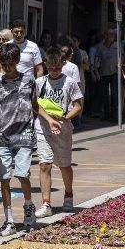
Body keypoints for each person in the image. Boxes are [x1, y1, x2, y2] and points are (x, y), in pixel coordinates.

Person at [0, 43, 55, 236]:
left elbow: (36, 104)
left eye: (10, 63)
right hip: (3, 137)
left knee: (22, 174)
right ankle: (9, 219)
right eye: (3, 64)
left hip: (25, 136)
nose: (7, 67)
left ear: (17, 62)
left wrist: (50, 120)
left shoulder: (29, 81)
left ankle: (28, 205)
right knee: (4, 178)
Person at [34, 47, 83, 218]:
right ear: (46, 64)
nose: (54, 70)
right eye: (51, 67)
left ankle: (68, 194)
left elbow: (78, 105)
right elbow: (35, 105)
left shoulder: (69, 82)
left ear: (62, 64)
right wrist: (49, 119)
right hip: (43, 127)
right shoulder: (40, 82)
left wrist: (64, 118)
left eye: (58, 67)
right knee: (44, 164)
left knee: (64, 165)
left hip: (63, 128)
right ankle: (46, 203)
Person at [90, 30, 120, 121]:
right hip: (103, 73)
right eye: (110, 34)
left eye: (113, 35)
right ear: (106, 36)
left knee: (114, 94)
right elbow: (97, 60)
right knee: (104, 95)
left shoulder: (117, 46)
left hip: (115, 73)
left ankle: (114, 116)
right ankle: (107, 115)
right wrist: (96, 71)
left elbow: (121, 56)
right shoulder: (100, 47)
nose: (112, 36)